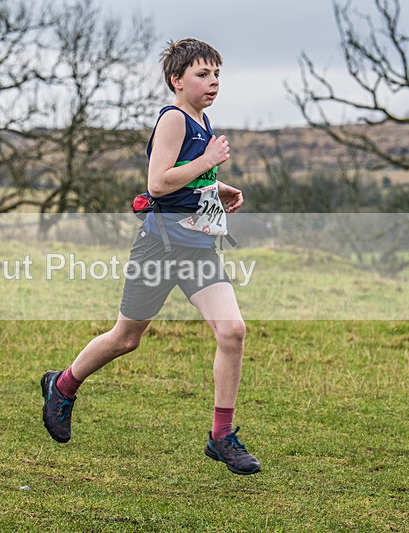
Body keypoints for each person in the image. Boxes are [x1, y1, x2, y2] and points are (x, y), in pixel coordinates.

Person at [41, 39, 261, 475]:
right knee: (126, 338)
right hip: (159, 246)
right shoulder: (174, 120)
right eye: (202, 74)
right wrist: (210, 161)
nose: (213, 81)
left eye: (217, 74)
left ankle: (221, 435)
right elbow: (158, 184)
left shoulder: (201, 119)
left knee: (232, 331)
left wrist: (219, 187)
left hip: (197, 248)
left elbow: (187, 182)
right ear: (177, 81)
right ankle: (62, 386)